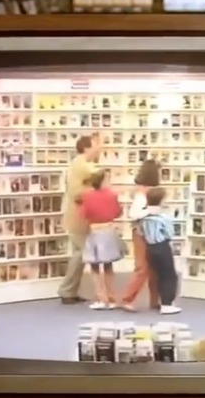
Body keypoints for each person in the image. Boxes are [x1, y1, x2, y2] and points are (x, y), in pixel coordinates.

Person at [57, 134, 101, 304]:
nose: (98, 148)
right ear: (86, 147)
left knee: (80, 253)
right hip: (78, 216)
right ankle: (67, 290)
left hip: (77, 215)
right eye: (95, 145)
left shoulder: (79, 164)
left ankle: (69, 290)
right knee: (81, 253)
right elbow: (80, 190)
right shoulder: (81, 165)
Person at [79, 169, 125, 310]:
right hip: (109, 230)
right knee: (108, 266)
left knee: (94, 266)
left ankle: (101, 298)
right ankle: (111, 298)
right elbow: (117, 212)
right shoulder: (112, 195)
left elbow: (83, 214)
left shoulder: (87, 196)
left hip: (94, 230)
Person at [119, 159, 161, 312]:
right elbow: (134, 214)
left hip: (150, 232)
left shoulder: (146, 192)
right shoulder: (142, 195)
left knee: (154, 268)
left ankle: (154, 300)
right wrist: (150, 211)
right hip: (142, 233)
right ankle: (127, 299)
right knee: (142, 267)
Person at [138, 187, 181, 315]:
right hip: (162, 246)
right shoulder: (164, 217)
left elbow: (141, 232)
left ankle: (160, 300)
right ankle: (167, 303)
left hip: (149, 247)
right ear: (161, 200)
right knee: (169, 275)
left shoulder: (143, 216)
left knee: (158, 275)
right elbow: (169, 234)